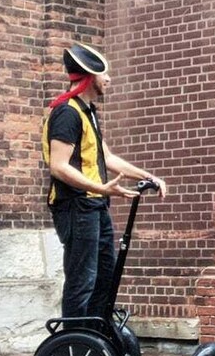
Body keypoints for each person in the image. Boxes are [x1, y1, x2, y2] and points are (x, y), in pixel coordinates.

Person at [43, 42, 167, 325]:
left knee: (104, 276)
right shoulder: (67, 112)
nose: (108, 79)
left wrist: (148, 177)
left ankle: (95, 335)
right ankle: (73, 344)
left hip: (95, 205)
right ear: (89, 77)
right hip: (75, 206)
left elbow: (106, 157)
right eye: (104, 74)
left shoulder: (88, 112)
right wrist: (103, 188)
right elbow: (58, 166)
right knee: (82, 278)